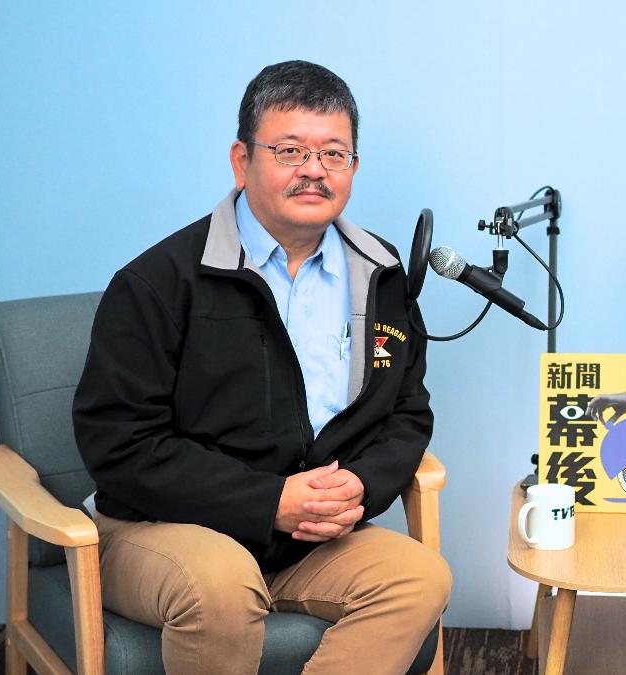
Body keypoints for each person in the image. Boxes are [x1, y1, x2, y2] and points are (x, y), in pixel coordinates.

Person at [72, 60, 451, 675]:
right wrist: (268, 499)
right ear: (241, 161)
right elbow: (116, 442)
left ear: (353, 167)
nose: (313, 171)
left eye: (334, 154)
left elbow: (407, 410)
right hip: (162, 530)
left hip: (307, 541)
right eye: (290, 150)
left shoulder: (381, 276)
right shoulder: (158, 282)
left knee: (418, 576)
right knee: (218, 584)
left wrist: (362, 485)